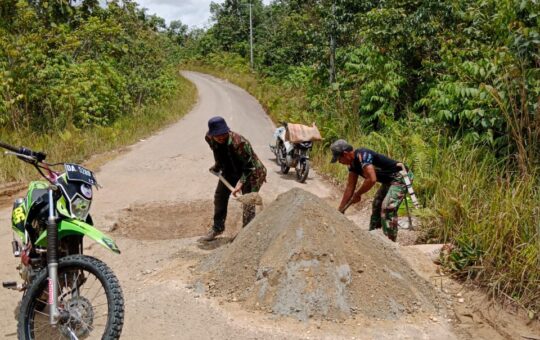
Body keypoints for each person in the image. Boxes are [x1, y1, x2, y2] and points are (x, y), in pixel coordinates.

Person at [199, 116, 267, 242]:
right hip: (230, 169)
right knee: (220, 196)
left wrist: (240, 183)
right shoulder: (209, 138)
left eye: (223, 134)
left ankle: (247, 232)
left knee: (248, 200)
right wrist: (218, 166)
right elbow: (218, 151)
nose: (221, 137)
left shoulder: (240, 142)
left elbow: (250, 167)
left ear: (227, 131)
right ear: (211, 134)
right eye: (217, 135)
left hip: (252, 172)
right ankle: (217, 228)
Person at [330, 139, 412, 242]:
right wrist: (340, 209)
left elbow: (372, 179)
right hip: (389, 181)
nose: (339, 162)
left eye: (339, 159)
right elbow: (350, 187)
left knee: (387, 207)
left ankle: (390, 243)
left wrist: (358, 194)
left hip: (400, 177)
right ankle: (372, 239)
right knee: (377, 205)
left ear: (345, 154)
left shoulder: (363, 155)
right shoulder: (352, 165)